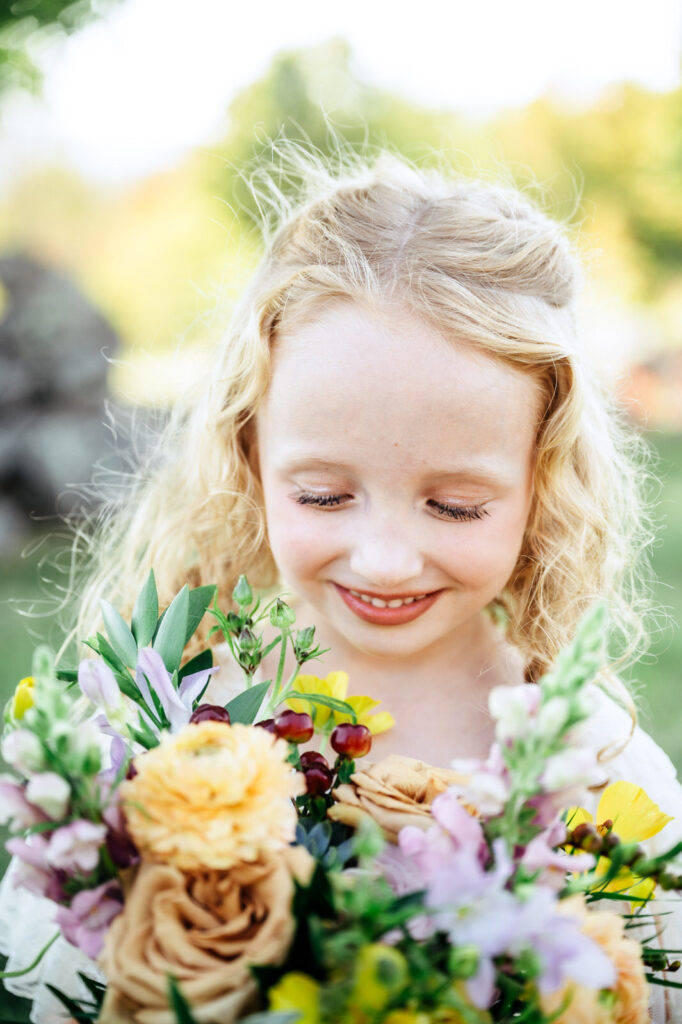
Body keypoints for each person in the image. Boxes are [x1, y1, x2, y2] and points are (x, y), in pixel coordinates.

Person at [2, 149, 681, 1021]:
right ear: (249, 457)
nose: (386, 559)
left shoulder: (595, 779)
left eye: (455, 505)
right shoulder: (164, 734)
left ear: (541, 482)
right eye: (323, 495)